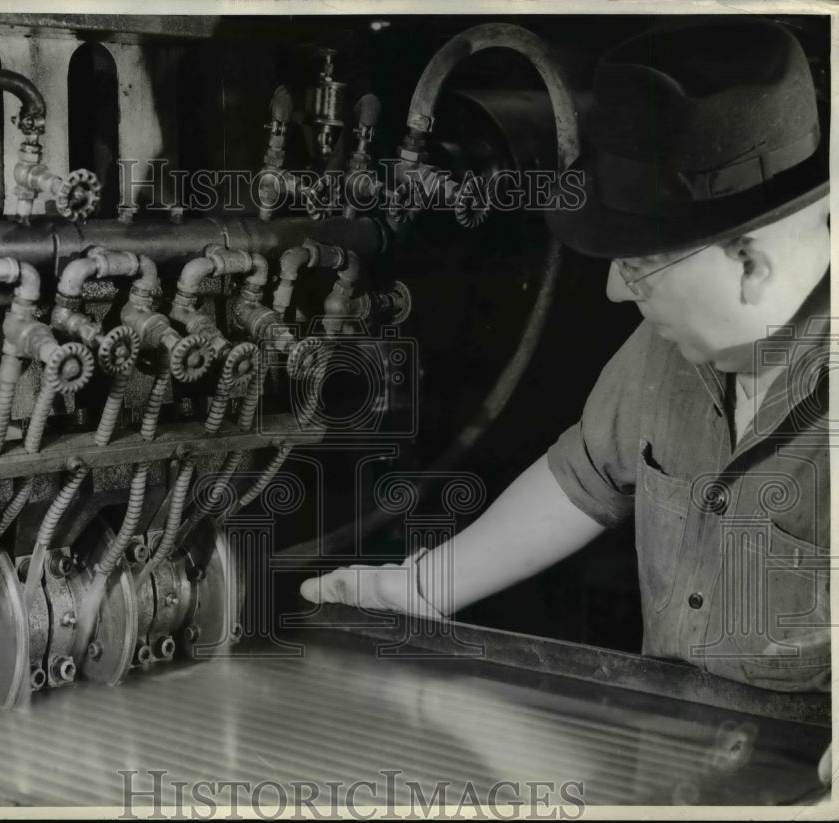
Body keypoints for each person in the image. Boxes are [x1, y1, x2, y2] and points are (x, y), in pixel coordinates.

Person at [300, 17, 830, 700]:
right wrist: (421, 587)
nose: (614, 292)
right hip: (671, 746)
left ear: (751, 266)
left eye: (638, 267)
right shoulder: (673, 349)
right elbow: (584, 475)